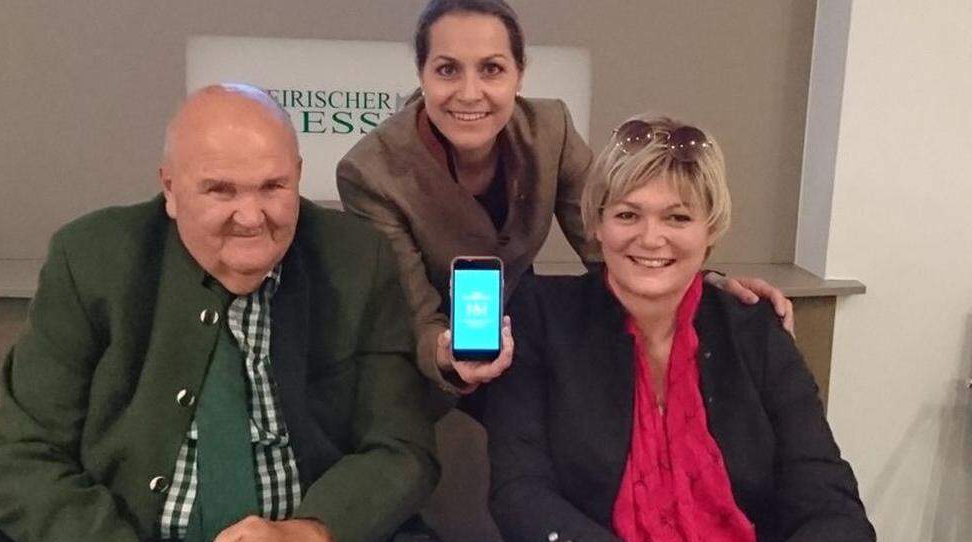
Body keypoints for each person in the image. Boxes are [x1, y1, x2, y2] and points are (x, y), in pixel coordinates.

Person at [0, 84, 438, 542]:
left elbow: (400, 448)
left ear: (299, 177)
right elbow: (21, 451)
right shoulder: (91, 260)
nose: (251, 216)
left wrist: (314, 535)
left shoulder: (356, 258)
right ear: (169, 190)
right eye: (220, 190)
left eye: (273, 187)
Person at [484, 116, 875, 542]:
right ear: (596, 223)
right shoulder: (543, 315)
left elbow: (837, 515)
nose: (651, 238)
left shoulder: (754, 330)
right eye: (627, 215)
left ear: (711, 228)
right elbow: (520, 493)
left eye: (678, 217)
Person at [337, 0, 793, 399]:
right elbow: (412, 311)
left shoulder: (549, 128)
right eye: (447, 69)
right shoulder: (371, 171)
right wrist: (445, 353)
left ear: (519, 74)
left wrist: (702, 282)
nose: (470, 92)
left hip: (524, 330)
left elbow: (611, 238)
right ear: (422, 74)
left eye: (492, 68)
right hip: (423, 357)